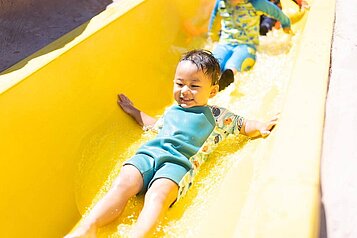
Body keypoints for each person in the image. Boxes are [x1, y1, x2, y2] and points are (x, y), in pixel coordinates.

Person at [65, 49, 277, 238]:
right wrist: (134, 111)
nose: (184, 90)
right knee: (123, 183)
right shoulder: (172, 110)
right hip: (148, 155)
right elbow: (155, 125)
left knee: (157, 196)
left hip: (177, 165)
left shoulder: (218, 117)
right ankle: (89, 228)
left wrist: (260, 125)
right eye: (179, 84)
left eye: (194, 86)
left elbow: (242, 124)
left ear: (212, 91)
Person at [208, 0, 293, 91]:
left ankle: (227, 77)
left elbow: (276, 12)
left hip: (246, 45)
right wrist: (212, 36)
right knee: (213, 64)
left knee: (233, 63)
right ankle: (209, 80)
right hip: (224, 43)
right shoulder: (221, 3)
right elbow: (214, 18)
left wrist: (286, 24)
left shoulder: (255, 3)